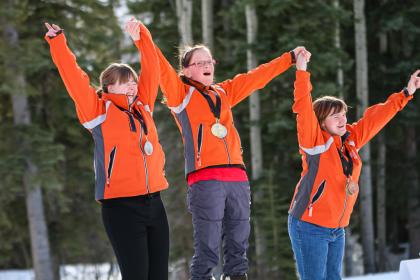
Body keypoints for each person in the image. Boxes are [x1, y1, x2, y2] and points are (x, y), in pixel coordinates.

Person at [138, 22, 308, 280]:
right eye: (199, 63)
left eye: (210, 61)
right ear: (186, 70)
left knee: (239, 248)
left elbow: (256, 77)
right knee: (207, 248)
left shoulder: (224, 92)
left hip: (237, 178)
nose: (207, 66)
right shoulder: (180, 95)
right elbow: (160, 65)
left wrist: (289, 59)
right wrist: (143, 37)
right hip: (205, 179)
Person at [44, 18, 170, 280]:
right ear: (109, 86)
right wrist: (58, 43)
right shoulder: (97, 112)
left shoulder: (143, 106)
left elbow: (153, 68)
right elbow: (74, 78)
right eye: (126, 82)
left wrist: (141, 37)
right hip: (121, 207)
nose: (134, 86)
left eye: (134, 81)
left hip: (155, 202)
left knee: (159, 275)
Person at [288, 50, 419, 280]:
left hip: (337, 229)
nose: (342, 119)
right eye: (334, 116)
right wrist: (301, 72)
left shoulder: (350, 139)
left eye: (343, 114)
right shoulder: (313, 141)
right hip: (309, 226)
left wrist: (406, 93)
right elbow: (303, 107)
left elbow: (375, 118)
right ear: (321, 122)